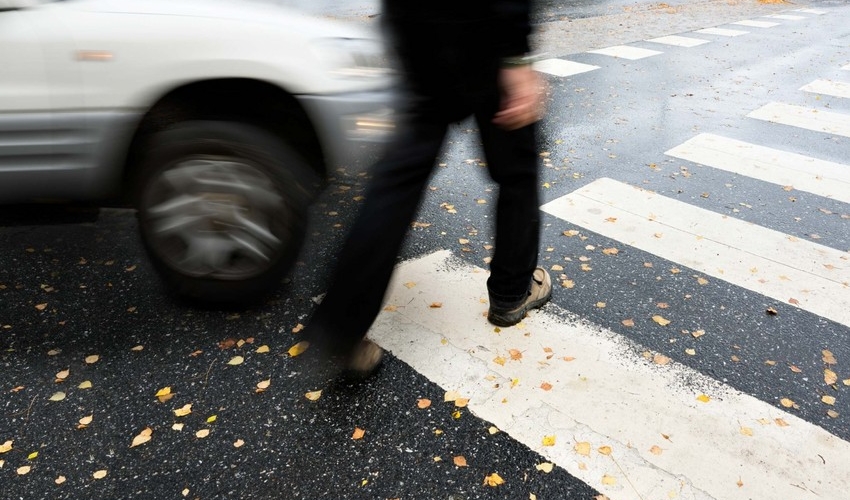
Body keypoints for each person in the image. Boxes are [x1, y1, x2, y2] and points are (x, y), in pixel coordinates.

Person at [303, 0, 551, 376]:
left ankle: (341, 327)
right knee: (516, 169)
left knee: (399, 177)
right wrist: (517, 57)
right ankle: (511, 292)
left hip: (414, 24)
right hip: (483, 26)